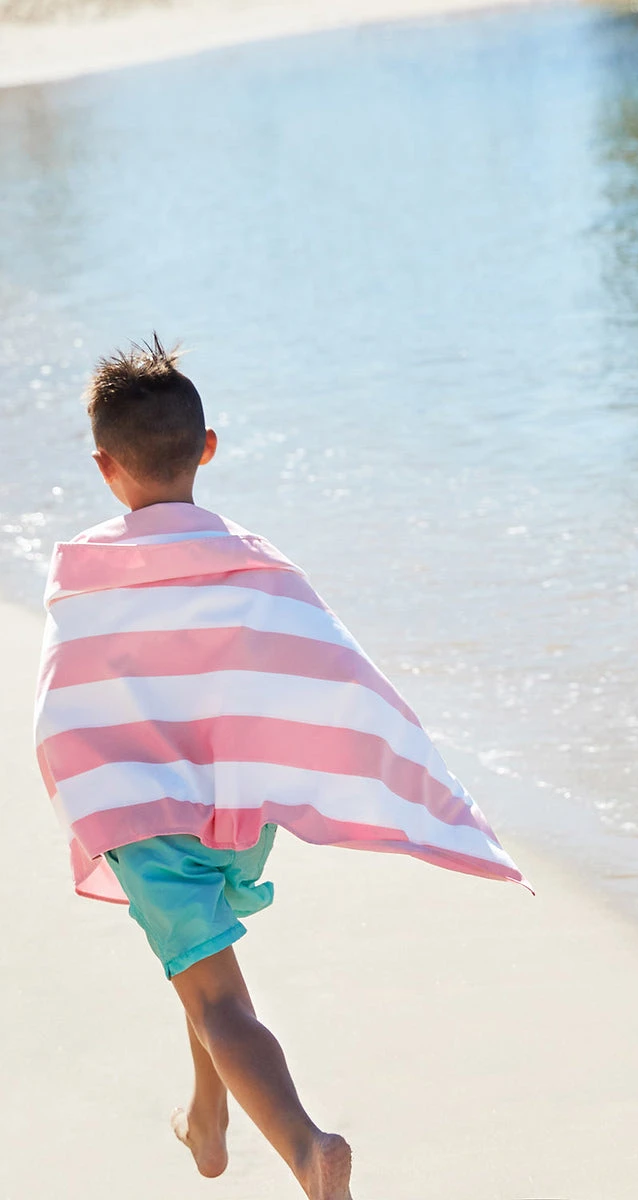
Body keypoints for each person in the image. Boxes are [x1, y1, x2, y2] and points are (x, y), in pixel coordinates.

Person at [34, 336, 527, 1199]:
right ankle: (208, 1115)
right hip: (238, 816)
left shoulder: (88, 571)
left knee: (220, 1002)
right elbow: (328, 669)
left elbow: (63, 704)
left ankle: (306, 1147)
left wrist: (88, 791)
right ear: (209, 449)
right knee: (202, 959)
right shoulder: (253, 563)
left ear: (104, 466)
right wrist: (395, 769)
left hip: (148, 820)